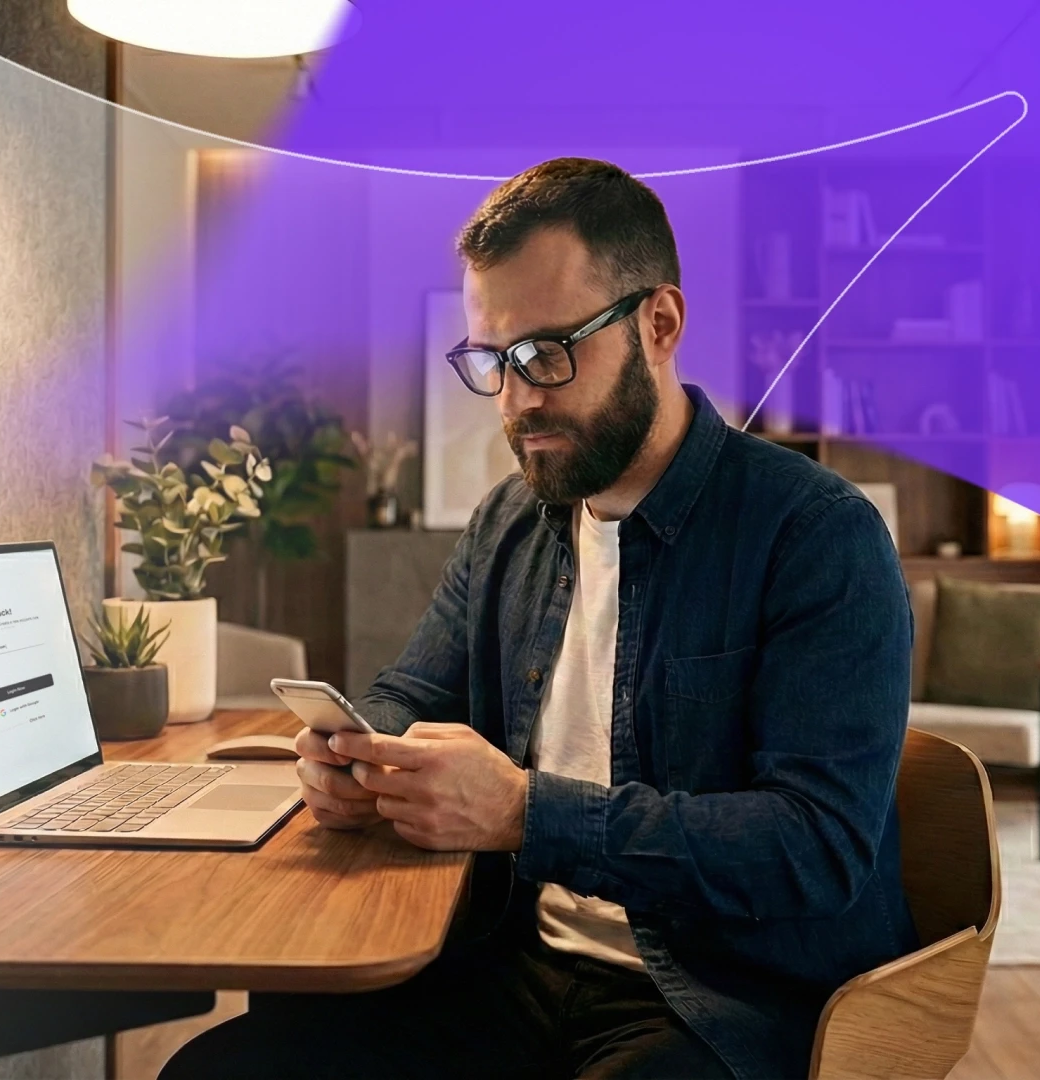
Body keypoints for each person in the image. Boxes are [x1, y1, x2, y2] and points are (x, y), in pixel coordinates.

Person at [163, 158, 916, 1080]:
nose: (518, 400)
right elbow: (413, 689)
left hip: (722, 1001)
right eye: (495, 360)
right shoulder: (508, 524)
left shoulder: (816, 537)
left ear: (660, 324)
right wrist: (358, 755)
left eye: (548, 354)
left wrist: (526, 813)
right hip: (510, 964)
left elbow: (818, 846)